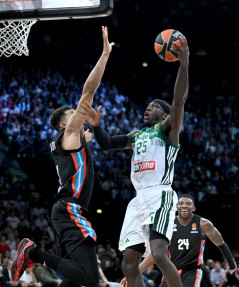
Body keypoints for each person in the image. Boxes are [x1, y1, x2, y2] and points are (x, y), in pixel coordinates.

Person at [78, 34, 190, 287]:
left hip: (160, 194)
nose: (147, 108)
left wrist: (184, 65)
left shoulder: (168, 130)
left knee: (159, 254)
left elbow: (179, 101)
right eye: (147, 106)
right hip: (138, 198)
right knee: (128, 264)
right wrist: (96, 126)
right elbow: (106, 144)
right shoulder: (136, 135)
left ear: (165, 114)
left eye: (154, 107)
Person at [10, 26, 115, 287]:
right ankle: (33, 253)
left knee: (73, 281)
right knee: (89, 279)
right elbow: (87, 94)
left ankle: (35, 254)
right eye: (73, 115)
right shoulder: (68, 137)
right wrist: (104, 55)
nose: (78, 115)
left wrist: (97, 126)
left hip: (66, 209)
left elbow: (98, 138)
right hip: (70, 208)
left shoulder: (73, 140)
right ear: (62, 125)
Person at [120, 194, 237, 287]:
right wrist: (135, 272)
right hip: (171, 272)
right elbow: (155, 255)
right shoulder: (168, 225)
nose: (184, 205)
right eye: (181, 203)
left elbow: (220, 242)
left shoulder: (203, 224)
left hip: (192, 272)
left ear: (194, 208)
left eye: (188, 204)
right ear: (176, 208)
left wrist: (231, 264)